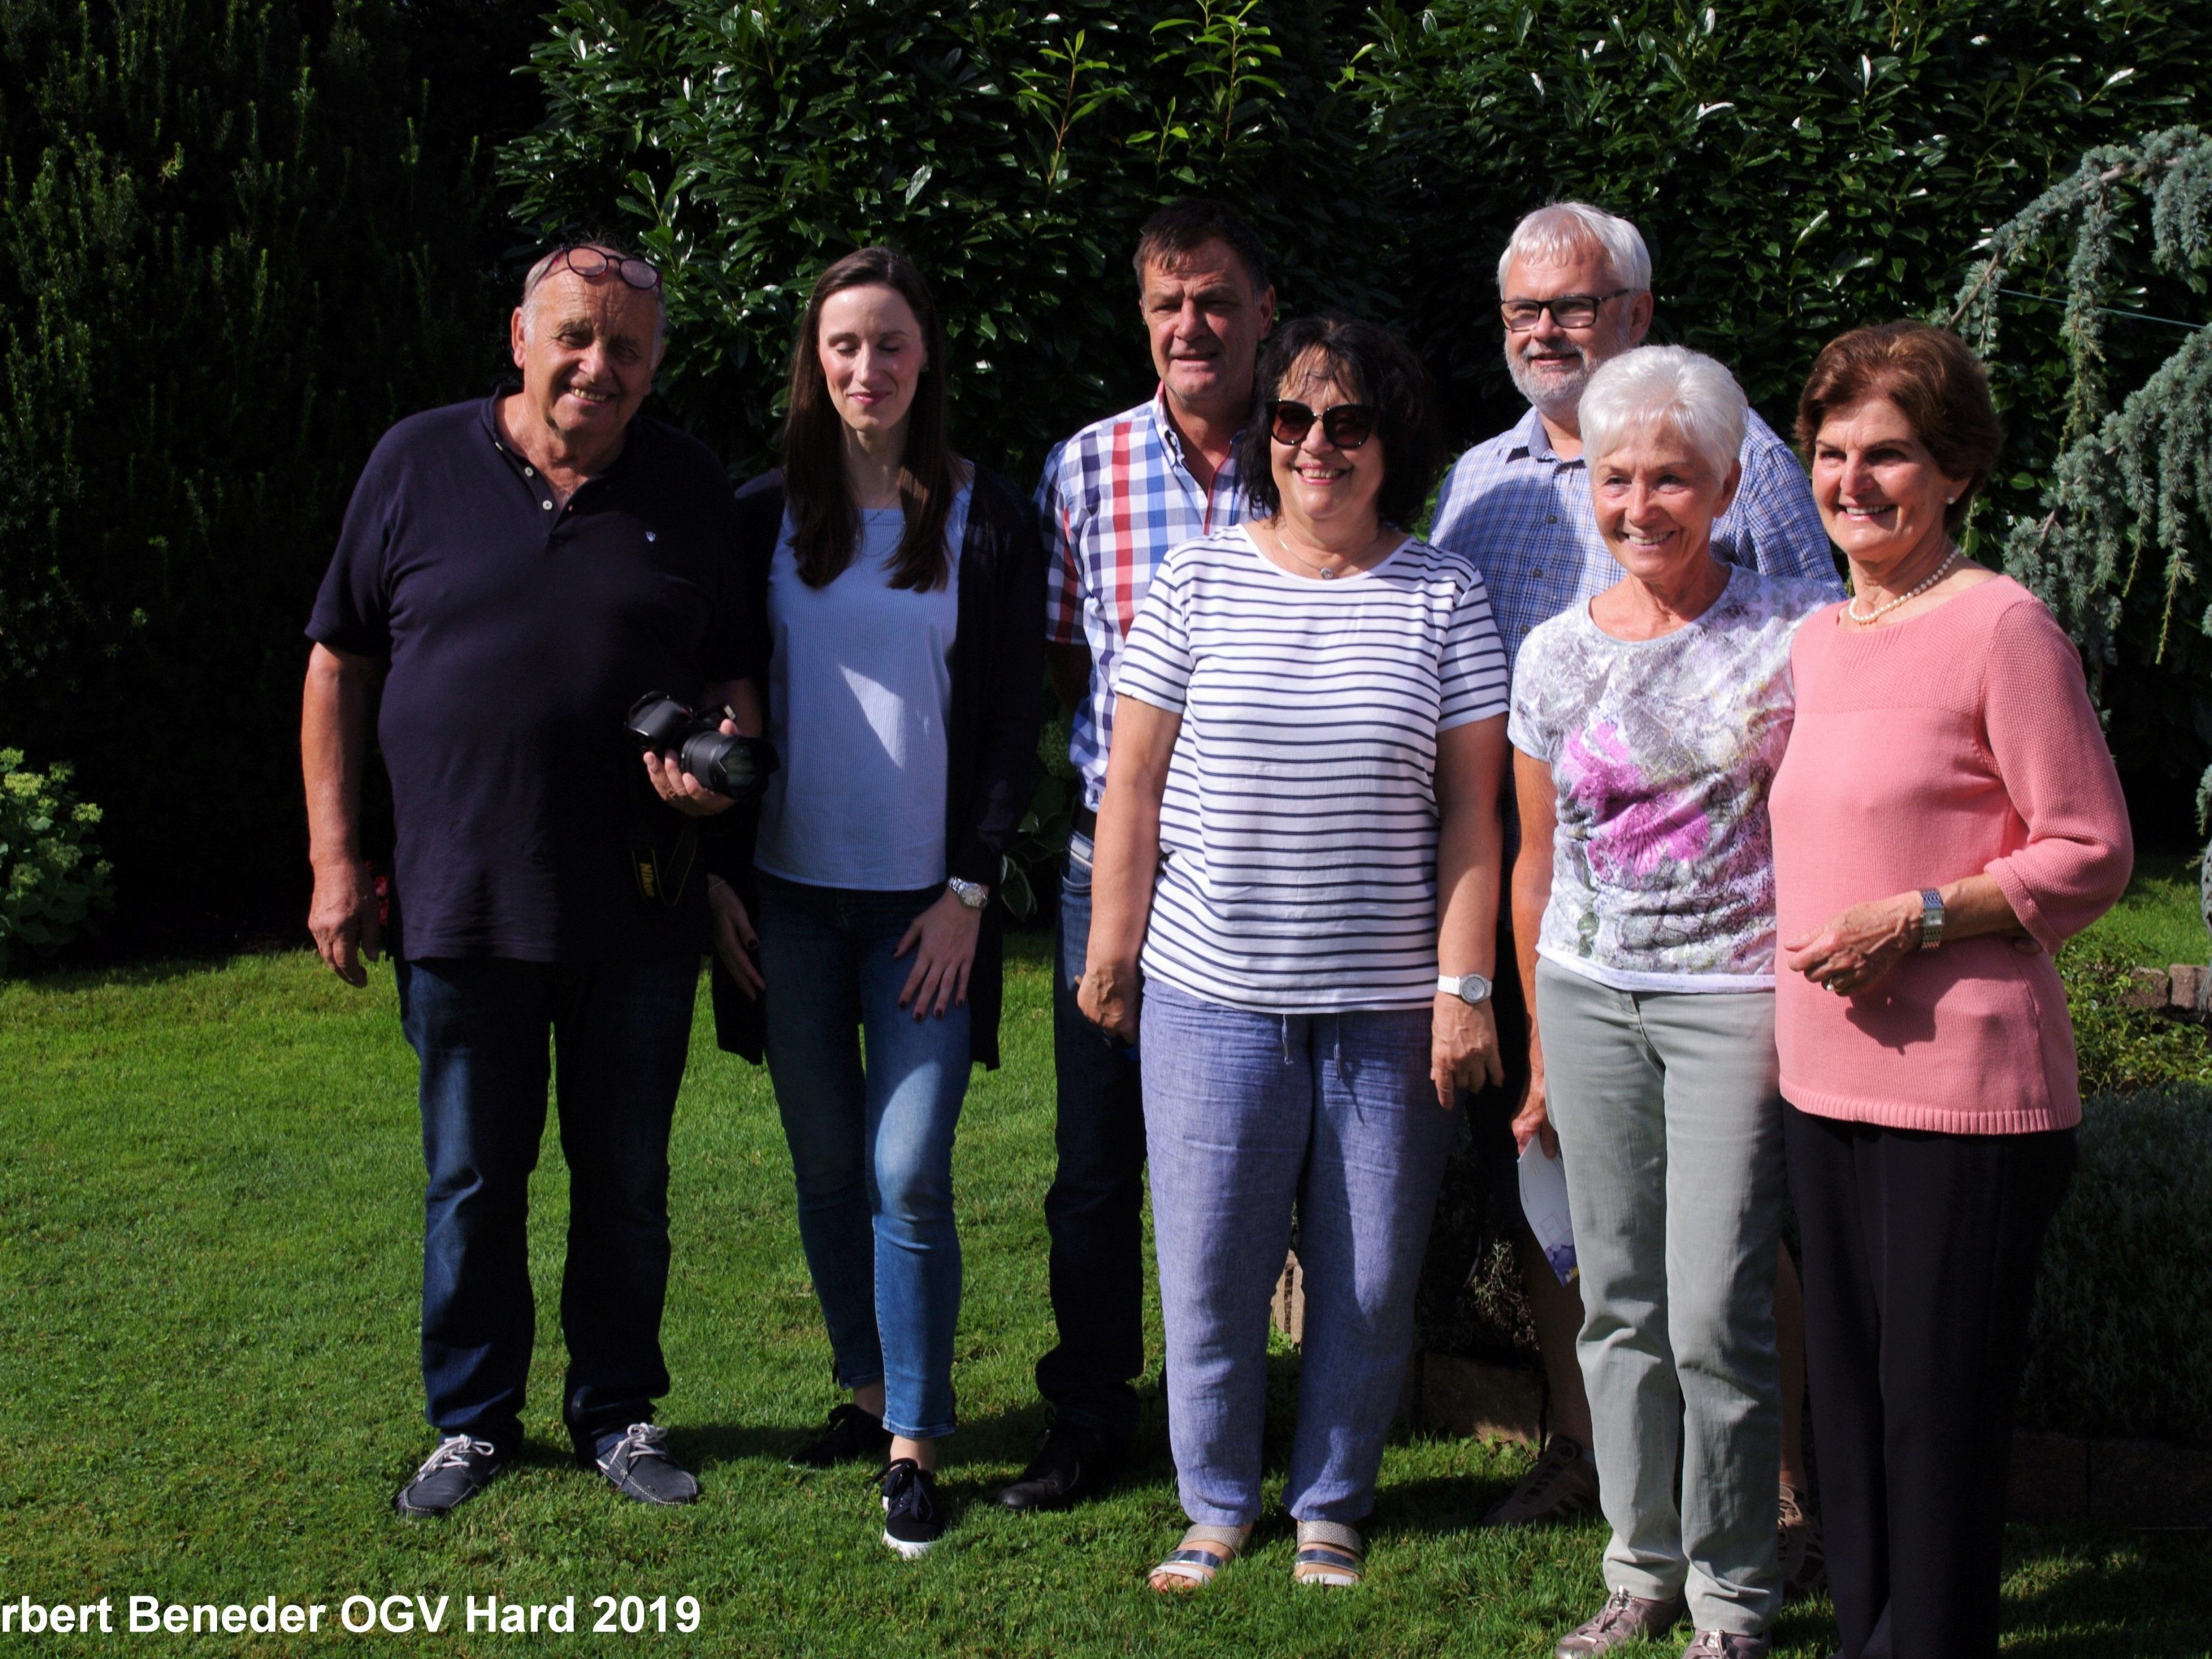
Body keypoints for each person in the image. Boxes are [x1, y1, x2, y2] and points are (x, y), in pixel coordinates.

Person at [302, 238, 763, 1518]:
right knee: (471, 1177)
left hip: (639, 902)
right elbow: (338, 660)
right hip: (458, 898)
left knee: (625, 1178)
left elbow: (732, 675)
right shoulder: (415, 462)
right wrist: (337, 858)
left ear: (654, 360)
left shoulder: (687, 487)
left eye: (623, 345)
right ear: (519, 335)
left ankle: (616, 1410)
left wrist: (725, 767)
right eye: (572, 335)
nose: (595, 365)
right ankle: (473, 1420)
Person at [1429, 203, 1836, 1569]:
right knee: (1552, 1190)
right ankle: (1582, 1444)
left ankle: (1771, 1476)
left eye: (1576, 306)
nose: (1547, 332)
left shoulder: (1734, 453)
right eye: (1523, 312)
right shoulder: (1477, 480)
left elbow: (1802, 672)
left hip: (1715, 921)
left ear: (1636, 311)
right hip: (1534, 881)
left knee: (1722, 1229)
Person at [1082, 313, 1510, 1591]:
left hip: (1384, 1010)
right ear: (1264, 435)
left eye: (1346, 422)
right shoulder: (1196, 580)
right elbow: (1134, 788)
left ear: (1391, 442)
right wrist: (1112, 951)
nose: (1315, 444)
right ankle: (1213, 1503)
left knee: (1370, 1280)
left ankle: (1330, 1500)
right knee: (1209, 1271)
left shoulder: (1444, 593)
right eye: (1290, 419)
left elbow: (1474, 816)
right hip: (1210, 998)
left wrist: (1461, 990)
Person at [1772, 321, 2132, 1659]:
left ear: (1955, 469)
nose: (1851, 481)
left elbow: (2090, 848)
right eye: (1830, 452)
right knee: (1852, 1403)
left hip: (1963, 1096)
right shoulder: (1815, 639)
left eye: (1888, 456)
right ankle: (1868, 1630)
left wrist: (1919, 915)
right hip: (1820, 1081)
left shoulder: (2000, 625)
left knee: (1933, 1409)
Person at [700, 246, 1044, 1558]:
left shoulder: (984, 516)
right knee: (829, 1165)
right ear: (813, 361)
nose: (865, 367)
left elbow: (1013, 720)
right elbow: (727, 703)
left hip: (924, 911)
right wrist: (716, 882)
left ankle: (915, 1435)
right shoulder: (757, 518)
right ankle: (861, 1389)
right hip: (785, 902)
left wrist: (971, 889)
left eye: (890, 343)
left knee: (908, 1167)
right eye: (842, 344)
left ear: (926, 361)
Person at [1510, 346, 1835, 1659]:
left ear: (1720, 485)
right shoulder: (1547, 653)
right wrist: (1535, 1030)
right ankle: (1638, 1570)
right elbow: (1538, 861)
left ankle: (1733, 1594)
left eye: (1671, 479)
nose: (1639, 504)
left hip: (1729, 1002)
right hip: (1588, 996)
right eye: (1615, 477)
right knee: (1617, 1300)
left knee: (1713, 1306)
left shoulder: (1787, 641)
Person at [1002, 199, 1276, 1513]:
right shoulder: (1083, 466)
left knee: (1273, 1156)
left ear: (1261, 310)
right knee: (1096, 1163)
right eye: (1168, 303)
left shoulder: (1316, 451)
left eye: (1215, 298)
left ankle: (1262, 1406)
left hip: (1280, 871)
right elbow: (1073, 667)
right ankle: (1091, 1409)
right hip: (1114, 871)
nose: (1191, 325)